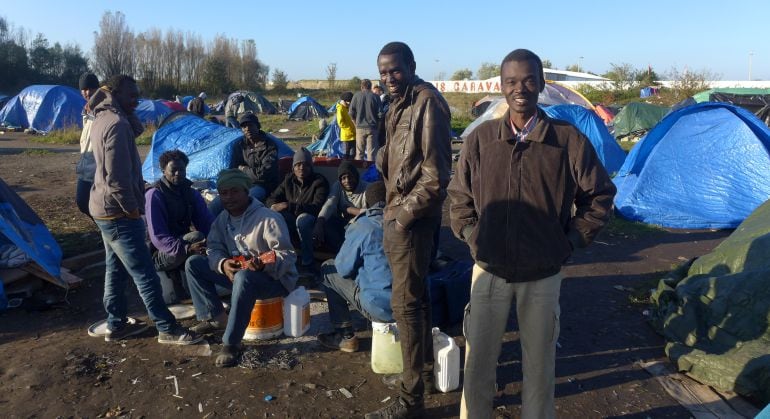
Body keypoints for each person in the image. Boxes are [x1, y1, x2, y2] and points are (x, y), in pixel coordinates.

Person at [447, 49, 617, 419]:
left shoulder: (566, 140)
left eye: (528, 80)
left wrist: (571, 240)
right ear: (501, 87)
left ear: (541, 84)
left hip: (543, 274)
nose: (519, 88)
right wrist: (474, 235)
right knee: (477, 367)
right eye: (511, 82)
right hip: (489, 271)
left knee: (539, 369)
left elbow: (600, 195)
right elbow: (459, 198)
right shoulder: (481, 140)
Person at [365, 41, 452, 419]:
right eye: (383, 72)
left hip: (412, 221)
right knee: (416, 302)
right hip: (398, 213)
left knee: (406, 306)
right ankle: (422, 374)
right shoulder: (397, 105)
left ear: (411, 66)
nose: (389, 78)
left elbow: (435, 176)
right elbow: (397, 161)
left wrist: (401, 219)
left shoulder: (426, 103)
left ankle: (410, 399)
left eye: (395, 70)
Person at [89, 74, 201, 345]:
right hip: (117, 212)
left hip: (102, 207)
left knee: (115, 269)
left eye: (138, 95)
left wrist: (142, 186)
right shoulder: (116, 123)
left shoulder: (103, 117)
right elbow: (116, 179)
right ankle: (167, 328)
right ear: (115, 93)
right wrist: (133, 211)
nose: (136, 100)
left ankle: (116, 324)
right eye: (131, 95)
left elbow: (114, 170)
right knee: (145, 273)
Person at [185, 169, 298, 367]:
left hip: (274, 281)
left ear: (247, 192)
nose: (229, 198)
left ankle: (231, 343)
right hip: (239, 277)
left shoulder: (268, 218)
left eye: (235, 191)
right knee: (194, 264)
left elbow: (287, 255)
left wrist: (264, 265)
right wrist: (222, 264)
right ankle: (215, 317)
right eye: (224, 193)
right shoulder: (222, 220)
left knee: (245, 276)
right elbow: (213, 247)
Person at [317, 181, 392, 352]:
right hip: (413, 306)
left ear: (367, 203)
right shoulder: (408, 224)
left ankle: (345, 337)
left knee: (329, 270)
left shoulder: (363, 225)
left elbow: (343, 269)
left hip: (382, 308)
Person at [145, 149, 215, 298]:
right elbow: (158, 237)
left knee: (210, 240)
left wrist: (216, 240)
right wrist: (187, 249)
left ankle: (197, 285)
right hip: (160, 252)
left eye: (181, 169)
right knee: (196, 237)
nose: (178, 173)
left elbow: (206, 221)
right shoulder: (155, 195)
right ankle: (182, 286)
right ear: (163, 171)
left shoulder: (190, 193)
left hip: (182, 244)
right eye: (173, 170)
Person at [266, 148, 329, 273]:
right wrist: (273, 206)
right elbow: (272, 198)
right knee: (273, 215)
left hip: (312, 219)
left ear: (311, 167)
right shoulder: (289, 180)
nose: (301, 168)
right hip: (291, 217)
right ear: (293, 167)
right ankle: (279, 259)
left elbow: (317, 207)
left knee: (303, 220)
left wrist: (289, 206)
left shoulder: (319, 181)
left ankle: (307, 262)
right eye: (298, 164)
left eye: (305, 165)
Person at [208, 112, 280, 216]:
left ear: (257, 126)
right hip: (242, 184)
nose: (247, 129)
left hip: (263, 186)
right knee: (215, 205)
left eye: (250, 125)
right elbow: (233, 170)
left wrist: (243, 169)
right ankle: (212, 230)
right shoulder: (240, 145)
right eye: (244, 126)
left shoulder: (269, 146)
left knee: (242, 201)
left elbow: (263, 174)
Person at [313, 160, 368, 253]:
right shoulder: (338, 186)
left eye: (350, 177)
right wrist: (320, 221)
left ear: (356, 176)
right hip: (342, 223)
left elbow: (372, 213)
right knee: (326, 224)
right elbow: (329, 204)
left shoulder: (366, 188)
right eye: (344, 178)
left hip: (359, 225)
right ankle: (340, 252)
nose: (347, 181)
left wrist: (350, 210)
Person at [75, 72, 100, 218]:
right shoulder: (86, 110)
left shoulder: (103, 109)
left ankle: (106, 235)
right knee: (83, 203)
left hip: (98, 169)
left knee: (91, 203)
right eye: (84, 89)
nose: (87, 92)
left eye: (91, 88)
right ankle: (104, 233)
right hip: (86, 167)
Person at [349, 78, 382, 161]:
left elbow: (351, 113)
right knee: (372, 154)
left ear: (361, 87)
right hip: (372, 128)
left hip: (359, 127)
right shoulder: (376, 97)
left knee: (359, 153)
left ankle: (359, 172)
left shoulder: (356, 96)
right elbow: (380, 114)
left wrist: (355, 124)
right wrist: (378, 126)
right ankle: (371, 173)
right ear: (370, 87)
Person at [336, 91, 356, 159]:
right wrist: (350, 128)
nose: (350, 103)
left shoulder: (347, 108)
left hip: (353, 135)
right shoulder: (340, 108)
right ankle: (345, 167)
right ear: (345, 101)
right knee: (346, 154)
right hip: (346, 136)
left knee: (353, 154)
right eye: (349, 102)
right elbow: (340, 123)